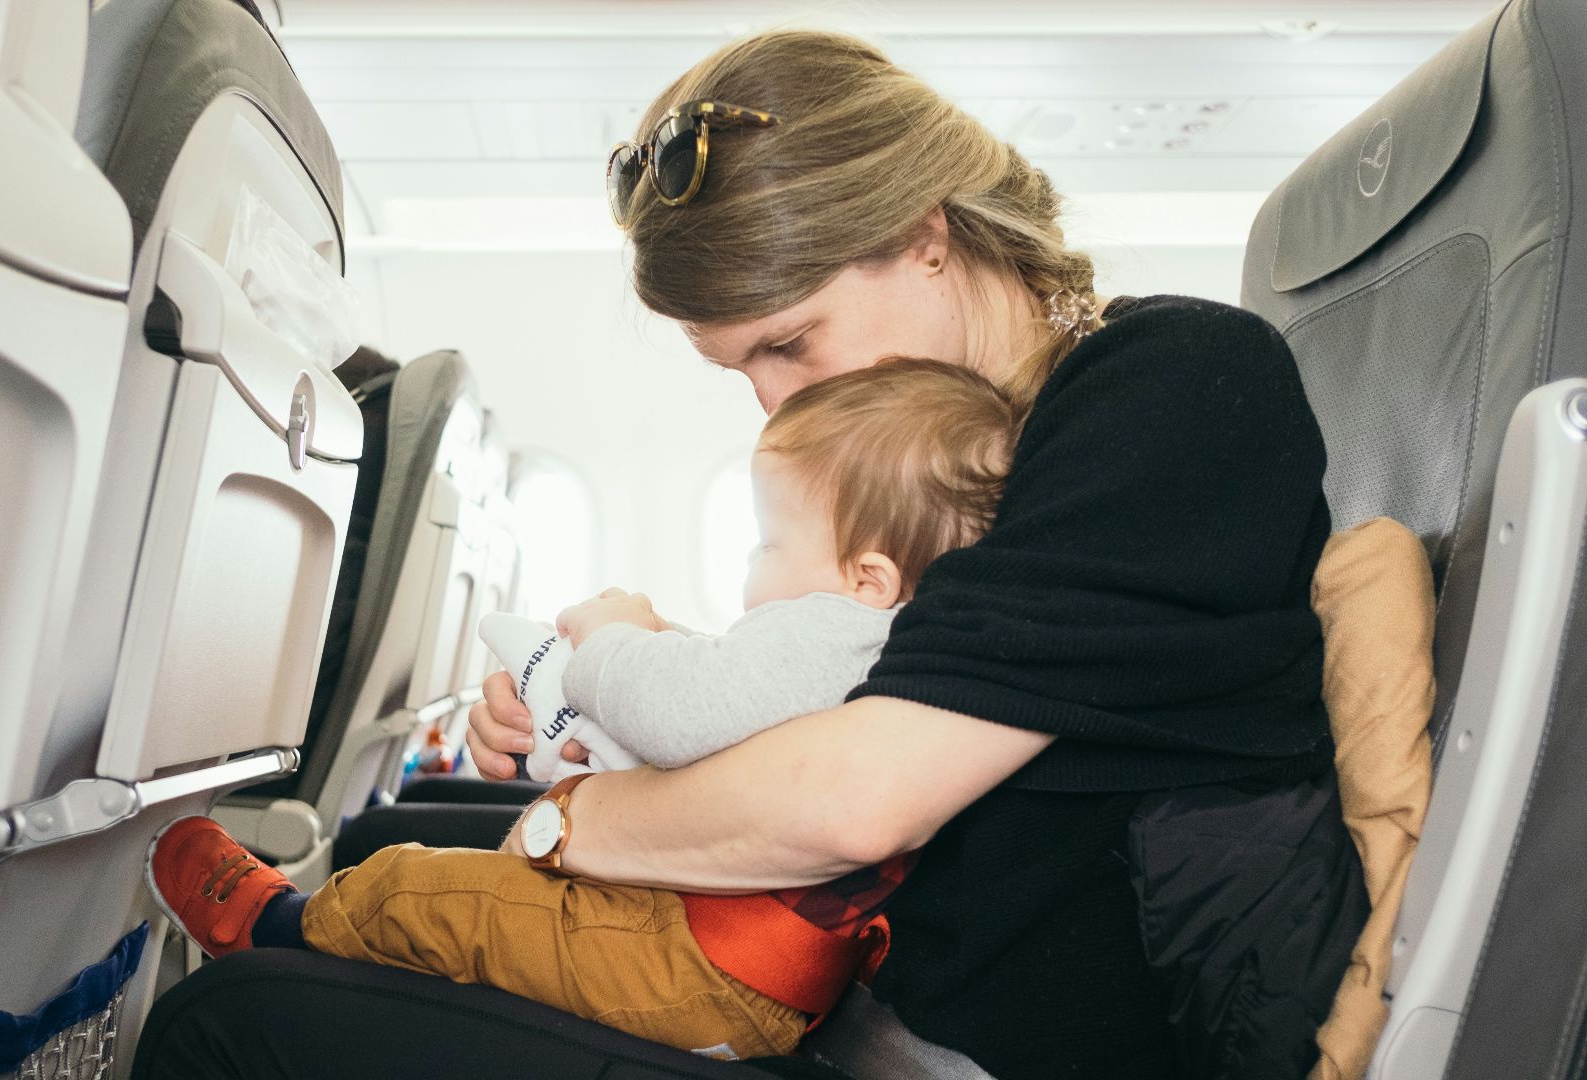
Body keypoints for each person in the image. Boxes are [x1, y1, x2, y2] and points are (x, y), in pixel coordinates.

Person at [134, 29, 1365, 1080]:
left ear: (926, 234)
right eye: (741, 371)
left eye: (790, 342)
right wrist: (599, 700)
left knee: (229, 1029)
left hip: (939, 1046)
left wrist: (577, 820)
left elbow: (854, 798)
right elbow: (866, 685)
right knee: (368, 860)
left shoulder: (1171, 387)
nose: (775, 409)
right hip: (831, 1000)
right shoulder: (936, 452)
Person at [146, 358, 1019, 1061]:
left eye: (768, 542)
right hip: (741, 970)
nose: (755, 568)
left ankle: (277, 926)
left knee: (428, 889)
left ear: (868, 576)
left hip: (698, 961)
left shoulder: (837, 629)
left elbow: (684, 711)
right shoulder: (889, 640)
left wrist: (610, 638)